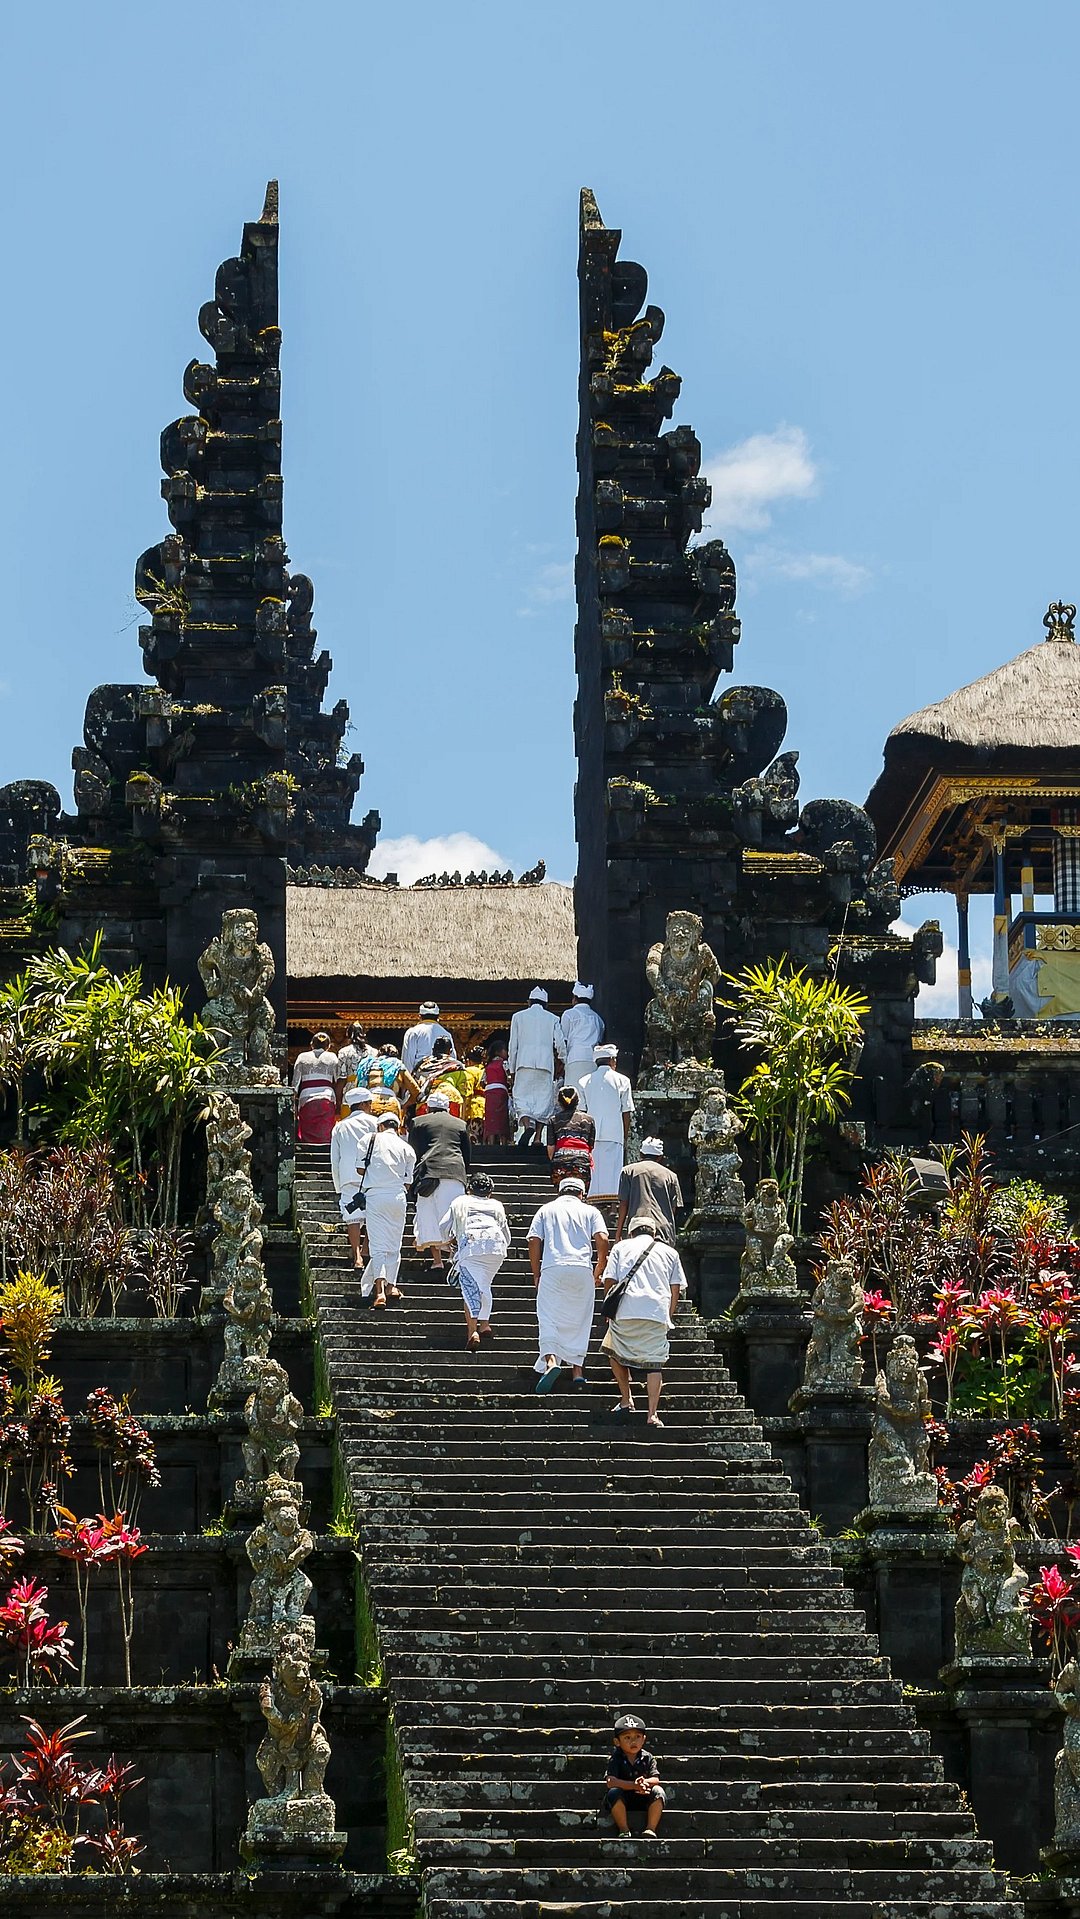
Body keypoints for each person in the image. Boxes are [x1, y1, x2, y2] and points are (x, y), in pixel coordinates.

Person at [601, 1214, 687, 1428]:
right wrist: (669, 1314)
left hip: (625, 1309)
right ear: (654, 1233)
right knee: (655, 1364)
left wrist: (608, 1308)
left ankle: (626, 1398)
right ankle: (652, 1414)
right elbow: (675, 1288)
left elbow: (610, 1279)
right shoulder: (670, 1252)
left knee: (613, 1349)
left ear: (631, 1232)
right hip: (656, 1311)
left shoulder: (621, 1248)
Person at [527, 1174, 608, 1391]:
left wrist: (536, 1273)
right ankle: (577, 1371)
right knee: (580, 1319)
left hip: (553, 1267)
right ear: (582, 1194)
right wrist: (599, 1267)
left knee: (548, 1316)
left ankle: (551, 1361)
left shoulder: (546, 1209)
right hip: (582, 1268)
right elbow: (602, 1238)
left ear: (560, 1191)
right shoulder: (591, 1211)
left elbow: (534, 1240)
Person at [441, 1172, 511, 1350]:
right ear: (490, 1191)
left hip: (472, 1246)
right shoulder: (497, 1205)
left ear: (469, 1188)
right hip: (496, 1248)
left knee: (470, 1288)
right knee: (484, 1284)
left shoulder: (460, 1201)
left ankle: (472, 1331)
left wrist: (449, 1241)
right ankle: (485, 1323)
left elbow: (444, 1226)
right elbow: (506, 1233)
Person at [357, 1111, 416, 1307]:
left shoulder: (368, 1139)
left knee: (377, 1245)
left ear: (380, 1126)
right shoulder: (407, 1147)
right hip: (398, 1196)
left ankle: (379, 1291)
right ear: (397, 1127)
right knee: (394, 1243)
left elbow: (359, 1169)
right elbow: (408, 1181)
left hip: (375, 1195)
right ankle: (392, 1284)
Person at [409, 1091, 470, 1269]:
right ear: (448, 1107)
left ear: (428, 1107)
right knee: (454, 1218)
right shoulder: (460, 1124)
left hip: (429, 1173)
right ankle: (452, 1256)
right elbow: (466, 1154)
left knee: (428, 1215)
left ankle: (437, 1261)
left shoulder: (418, 1122)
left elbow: (414, 1150)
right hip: (454, 1172)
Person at [508, 986, 565, 1150]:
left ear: (529, 1002)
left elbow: (513, 1046)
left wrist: (512, 1069)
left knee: (522, 1098)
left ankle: (527, 1126)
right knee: (543, 1101)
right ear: (546, 1004)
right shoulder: (552, 1018)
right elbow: (559, 1043)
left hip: (523, 1063)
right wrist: (563, 1060)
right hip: (545, 1065)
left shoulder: (518, 1017)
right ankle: (538, 1137)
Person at [579, 1042, 634, 1201]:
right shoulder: (623, 1080)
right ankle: (612, 1206)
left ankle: (593, 1201)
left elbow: (582, 1112)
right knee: (614, 1171)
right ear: (611, 1060)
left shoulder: (584, 1081)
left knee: (594, 1170)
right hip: (614, 1132)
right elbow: (626, 1111)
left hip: (591, 1133)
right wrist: (624, 1134)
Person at [331, 1086, 378, 1268]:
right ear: (364, 1104)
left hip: (348, 1175)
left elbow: (335, 1158)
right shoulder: (375, 1123)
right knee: (372, 1213)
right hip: (372, 1175)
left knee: (353, 1215)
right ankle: (366, 1248)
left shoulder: (340, 1126)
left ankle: (357, 1255)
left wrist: (338, 1183)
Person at [604, 1714, 665, 1838]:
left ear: (643, 1739)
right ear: (617, 1742)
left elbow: (655, 1779)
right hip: (623, 1798)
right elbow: (611, 1781)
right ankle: (624, 1829)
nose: (633, 1741)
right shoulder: (616, 1758)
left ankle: (651, 1828)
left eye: (637, 1737)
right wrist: (634, 1785)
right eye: (627, 1737)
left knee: (659, 1791)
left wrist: (644, 1784)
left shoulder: (648, 1758)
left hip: (643, 1797)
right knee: (613, 1793)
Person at [616, 1138, 684, 1244]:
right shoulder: (671, 1176)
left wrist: (618, 1234)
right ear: (660, 1157)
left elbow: (624, 1204)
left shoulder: (628, 1171)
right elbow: (673, 1208)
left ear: (641, 1154)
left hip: (638, 1226)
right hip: (663, 1229)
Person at [291, 1030, 342, 1144]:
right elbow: (338, 1079)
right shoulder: (332, 1057)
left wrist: (293, 1103)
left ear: (312, 1044)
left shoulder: (302, 1057)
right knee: (325, 1129)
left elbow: (295, 1084)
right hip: (327, 1097)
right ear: (328, 1046)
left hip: (306, 1097)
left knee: (307, 1127)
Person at [560, 983, 605, 1097]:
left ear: (574, 999)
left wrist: (562, 1061)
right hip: (592, 1060)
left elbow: (563, 1041)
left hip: (574, 1059)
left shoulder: (569, 1014)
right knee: (589, 1095)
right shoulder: (598, 1019)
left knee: (573, 1095)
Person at [546, 1086, 596, 1188]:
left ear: (559, 1102)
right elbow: (591, 1146)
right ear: (578, 1101)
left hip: (560, 1163)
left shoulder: (553, 1120)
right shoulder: (589, 1120)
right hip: (581, 1162)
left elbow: (550, 1150)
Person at [415, 1035, 468, 1118]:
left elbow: (415, 1085)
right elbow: (463, 1093)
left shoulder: (422, 1064)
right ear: (450, 1051)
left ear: (433, 1050)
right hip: (451, 1099)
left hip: (427, 1100)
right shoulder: (457, 1065)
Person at [365, 1044, 420, 1119]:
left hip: (371, 1104)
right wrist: (404, 1105)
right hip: (391, 1105)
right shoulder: (398, 1065)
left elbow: (358, 1087)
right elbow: (416, 1092)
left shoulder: (368, 1064)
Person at [402, 1001, 453, 1077]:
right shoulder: (446, 1034)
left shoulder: (412, 1032)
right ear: (438, 1017)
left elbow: (408, 1060)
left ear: (420, 1016)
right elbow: (452, 1058)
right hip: (441, 1077)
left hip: (420, 1078)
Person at [336, 1024, 376, 1114]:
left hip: (350, 1093)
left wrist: (338, 1102)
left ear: (348, 1035)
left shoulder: (344, 1052)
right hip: (368, 1092)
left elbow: (341, 1079)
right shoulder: (374, 1052)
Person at [481, 1043, 511, 1145]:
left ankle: (491, 1142)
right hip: (501, 1092)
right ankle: (503, 1141)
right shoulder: (504, 1063)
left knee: (491, 1117)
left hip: (489, 1093)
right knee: (502, 1117)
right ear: (499, 1052)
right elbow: (509, 1077)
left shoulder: (487, 1065)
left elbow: (482, 1082)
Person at [461, 1045, 487, 1144]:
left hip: (474, 1107)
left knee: (473, 1141)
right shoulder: (485, 1069)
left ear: (469, 1060)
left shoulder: (469, 1071)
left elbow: (467, 1092)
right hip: (487, 1105)